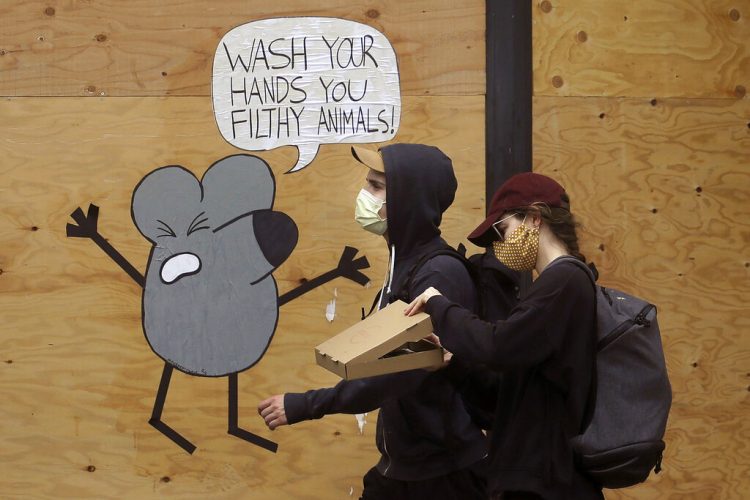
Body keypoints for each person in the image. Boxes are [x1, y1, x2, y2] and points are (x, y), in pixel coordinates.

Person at [258, 144, 487, 499]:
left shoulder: (438, 273)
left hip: (444, 472)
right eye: (368, 183)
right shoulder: (404, 266)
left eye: (377, 187)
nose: (364, 195)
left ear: (409, 199)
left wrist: (307, 404)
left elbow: (397, 372)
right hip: (407, 466)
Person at [406, 172, 604, 499]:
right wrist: (451, 365)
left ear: (535, 217)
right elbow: (504, 402)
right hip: (526, 482)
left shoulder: (565, 281)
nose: (500, 245)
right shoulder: (552, 288)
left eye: (503, 230)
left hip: (545, 485)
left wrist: (437, 303)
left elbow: (497, 346)